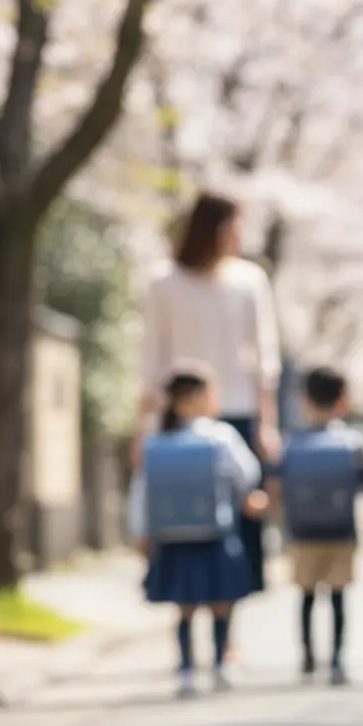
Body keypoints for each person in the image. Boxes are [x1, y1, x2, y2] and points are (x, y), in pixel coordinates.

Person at [139, 192, 282, 612]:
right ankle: (186, 612)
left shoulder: (250, 280)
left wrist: (267, 422)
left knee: (234, 524)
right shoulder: (164, 282)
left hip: (238, 411)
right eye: (235, 225)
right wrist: (142, 428)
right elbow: (152, 357)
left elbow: (264, 358)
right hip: (177, 418)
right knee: (180, 519)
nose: (240, 235)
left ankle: (226, 623)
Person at [130, 364, 269, 698]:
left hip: (173, 538)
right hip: (215, 533)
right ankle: (221, 663)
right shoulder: (220, 436)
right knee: (222, 602)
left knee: (184, 607)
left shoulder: (156, 440)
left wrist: (140, 532)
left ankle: (187, 670)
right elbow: (247, 475)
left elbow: (141, 491)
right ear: (199, 396)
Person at [277, 366, 363, 686]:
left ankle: (306, 658)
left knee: (305, 597)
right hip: (342, 532)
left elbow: (277, 487)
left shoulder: (290, 443)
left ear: (305, 401)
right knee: (337, 598)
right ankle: (336, 661)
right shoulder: (353, 441)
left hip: (302, 534)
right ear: (343, 402)